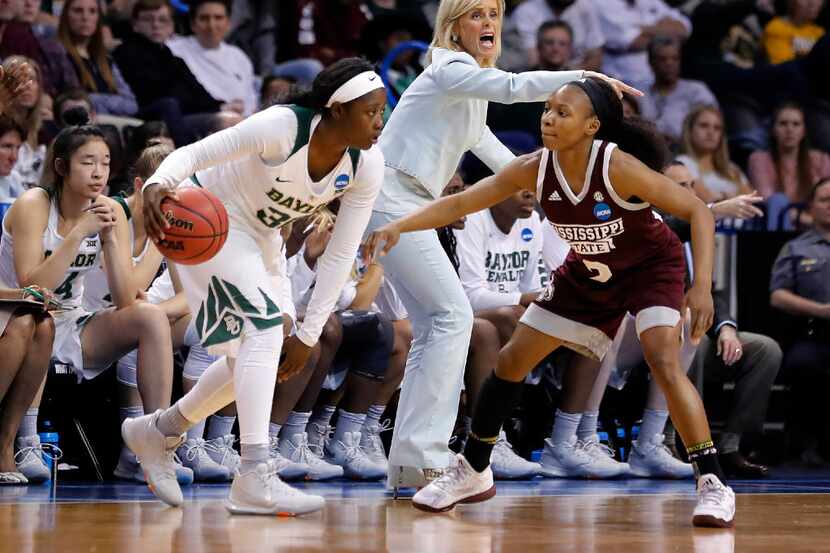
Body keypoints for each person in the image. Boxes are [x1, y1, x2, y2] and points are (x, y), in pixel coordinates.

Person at [366, 76, 735, 527]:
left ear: (591, 126)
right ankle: (474, 468)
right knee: (510, 360)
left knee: (663, 359)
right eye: (547, 110)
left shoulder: (616, 166)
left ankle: (713, 483)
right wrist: (398, 225)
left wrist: (700, 289)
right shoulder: (532, 168)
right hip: (589, 273)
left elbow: (698, 211)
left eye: (563, 112)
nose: (549, 118)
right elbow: (461, 203)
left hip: (650, 268)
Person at [367, 0, 639, 492]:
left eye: (494, 13)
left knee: (438, 324)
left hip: (407, 203)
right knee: (451, 318)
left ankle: (411, 459)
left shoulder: (467, 86)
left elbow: (490, 148)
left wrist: (546, 186)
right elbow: (513, 89)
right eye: (476, 14)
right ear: (453, 25)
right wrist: (584, 78)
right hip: (391, 199)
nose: (488, 22)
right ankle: (426, 454)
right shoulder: (448, 65)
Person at [122, 58, 386, 516]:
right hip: (208, 219)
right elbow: (195, 153)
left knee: (267, 351)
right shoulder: (283, 127)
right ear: (337, 110)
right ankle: (254, 473)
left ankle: (161, 428)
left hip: (262, 236)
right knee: (262, 331)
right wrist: (160, 183)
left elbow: (341, 255)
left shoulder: (366, 165)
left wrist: (307, 335)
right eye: (371, 111)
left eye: (383, 111)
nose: (380, 122)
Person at [0, 124, 176, 482]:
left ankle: (155, 441)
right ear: (62, 167)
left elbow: (126, 298)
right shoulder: (35, 203)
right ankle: (26, 441)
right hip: (15, 312)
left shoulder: (108, 209)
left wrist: (111, 238)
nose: (98, 172)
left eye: (106, 163)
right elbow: (34, 287)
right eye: (87, 162)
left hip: (72, 321)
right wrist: (79, 232)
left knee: (150, 317)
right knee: (39, 320)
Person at [770, 177, 830, 464]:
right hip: (813, 332)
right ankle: (807, 444)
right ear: (811, 207)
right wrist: (820, 310)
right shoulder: (795, 248)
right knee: (804, 364)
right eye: (825, 200)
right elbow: (777, 295)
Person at [167, 0, 256, 118]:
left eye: (218, 18)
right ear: (193, 23)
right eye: (204, 18)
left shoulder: (239, 56)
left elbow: (251, 99)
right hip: (200, 118)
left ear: (228, 23)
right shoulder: (174, 50)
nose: (211, 25)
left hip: (242, 122)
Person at [57, 0, 138, 117]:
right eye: (78, 11)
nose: (85, 17)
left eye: (92, 11)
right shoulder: (58, 53)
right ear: (65, 16)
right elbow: (74, 101)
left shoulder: (106, 59)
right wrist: (111, 102)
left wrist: (96, 100)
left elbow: (132, 104)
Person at [636, 36, 718, 148]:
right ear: (651, 62)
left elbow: (712, 126)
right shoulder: (639, 93)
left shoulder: (697, 92)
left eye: (675, 58)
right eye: (662, 59)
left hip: (686, 152)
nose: (669, 63)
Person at [678, 105, 753, 202]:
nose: (710, 132)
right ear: (690, 130)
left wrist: (722, 197)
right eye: (704, 125)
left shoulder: (732, 168)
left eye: (717, 128)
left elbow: (752, 200)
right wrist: (733, 197)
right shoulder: (683, 162)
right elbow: (706, 199)